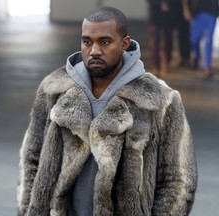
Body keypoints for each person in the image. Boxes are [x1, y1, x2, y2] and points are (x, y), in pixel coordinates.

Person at [17, 6, 197, 216]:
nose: (94, 50)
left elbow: (178, 180)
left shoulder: (160, 100)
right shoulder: (53, 90)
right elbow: (31, 158)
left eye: (104, 42)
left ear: (124, 43)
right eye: (87, 42)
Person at [183, 0, 219, 77]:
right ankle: (197, 56)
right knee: (194, 40)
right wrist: (186, 10)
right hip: (197, 13)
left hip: (212, 12)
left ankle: (207, 66)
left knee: (208, 40)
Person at [146, 0, 179, 78]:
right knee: (155, 43)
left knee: (168, 40)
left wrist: (168, 4)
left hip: (168, 16)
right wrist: (160, 3)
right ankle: (156, 66)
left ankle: (167, 62)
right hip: (155, 15)